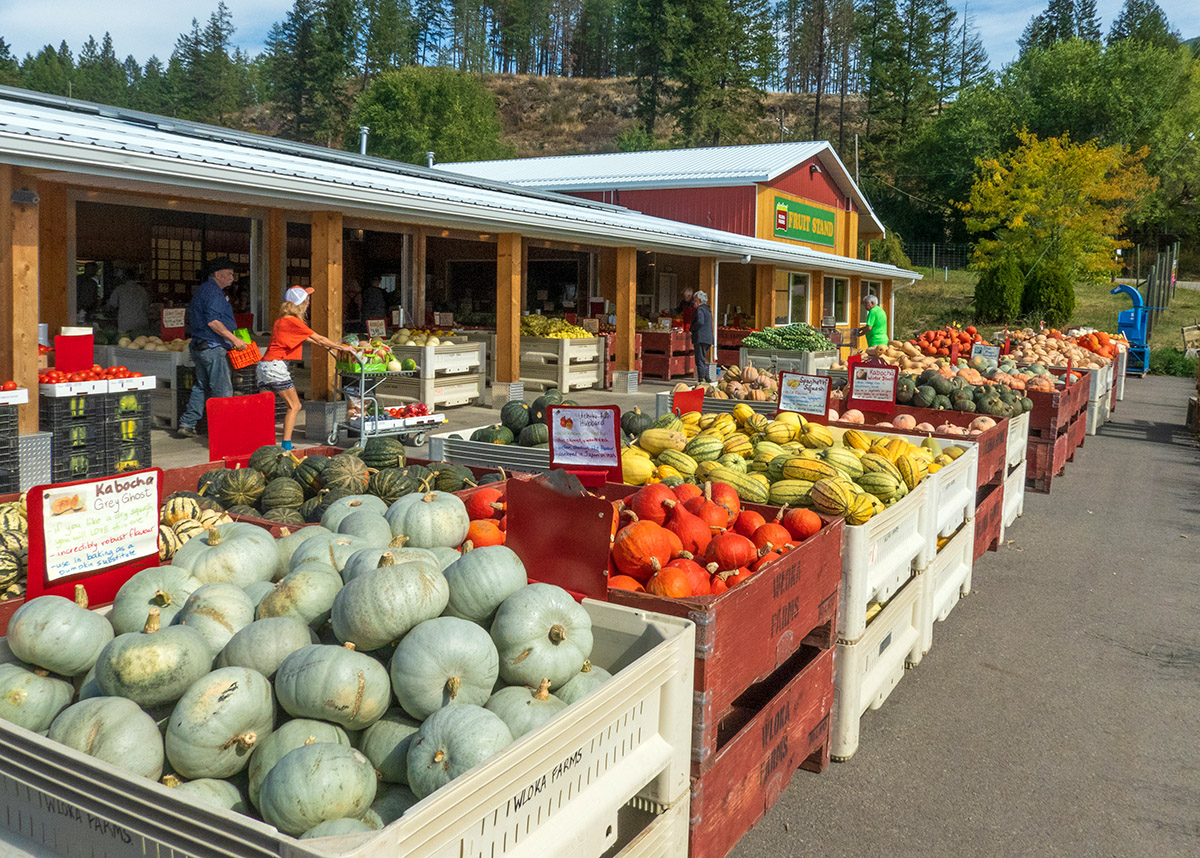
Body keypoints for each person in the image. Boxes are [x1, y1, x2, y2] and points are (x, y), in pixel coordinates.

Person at [258, 286, 357, 450]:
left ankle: (261, 442)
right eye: (307, 299)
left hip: (265, 366)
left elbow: (308, 338)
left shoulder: (281, 320)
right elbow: (318, 337)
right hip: (276, 367)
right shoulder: (294, 321)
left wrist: (323, 344)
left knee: (264, 407)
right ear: (302, 303)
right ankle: (287, 446)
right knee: (294, 405)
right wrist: (341, 348)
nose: (309, 302)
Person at [178, 257, 246, 438]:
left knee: (201, 386)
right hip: (213, 347)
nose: (233, 278)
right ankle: (223, 430)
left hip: (199, 346)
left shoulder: (202, 290)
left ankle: (187, 423)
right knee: (222, 390)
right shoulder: (214, 293)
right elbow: (214, 322)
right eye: (230, 274)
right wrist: (235, 339)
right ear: (218, 274)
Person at [691, 290, 714, 383]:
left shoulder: (700, 309)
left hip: (701, 337)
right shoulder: (708, 310)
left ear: (699, 300)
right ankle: (706, 377)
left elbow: (700, 322)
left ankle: (701, 379)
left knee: (699, 359)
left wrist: (692, 328)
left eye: (695, 300)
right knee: (703, 358)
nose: (693, 302)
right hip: (708, 338)